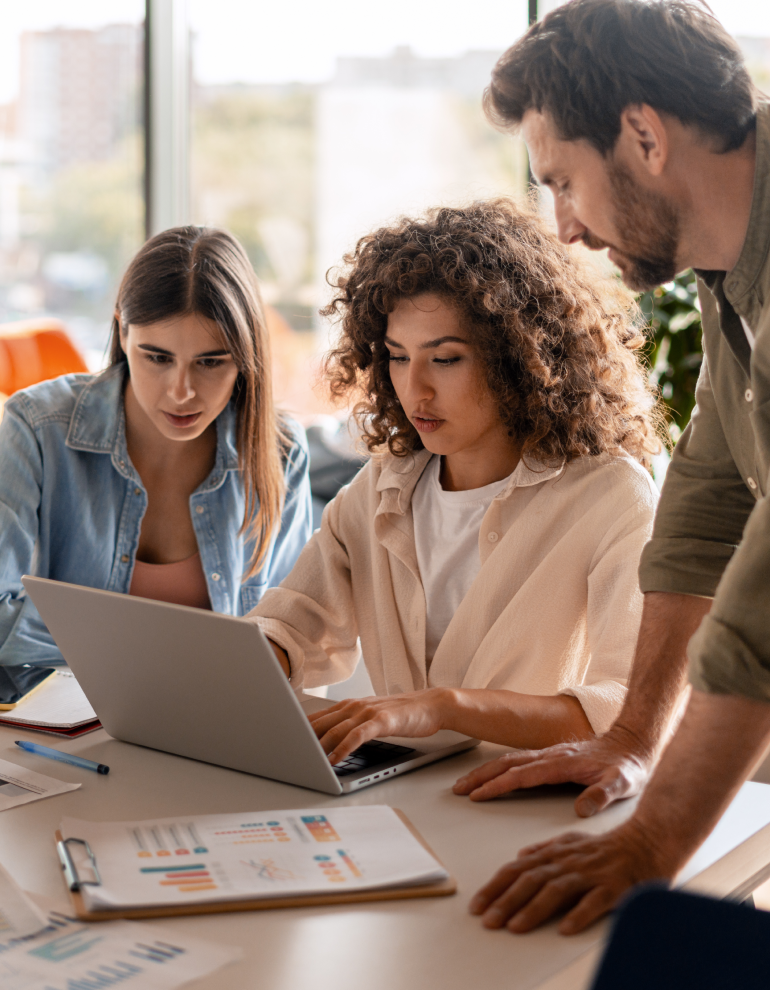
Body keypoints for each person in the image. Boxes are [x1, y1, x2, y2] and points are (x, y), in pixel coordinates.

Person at [459, 0, 770, 937]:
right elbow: (708, 508)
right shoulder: (728, 270)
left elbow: (760, 607)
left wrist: (649, 848)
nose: (562, 228)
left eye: (563, 181)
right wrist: (634, 734)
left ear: (643, 135)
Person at [247, 198, 661, 763]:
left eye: (445, 360)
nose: (413, 389)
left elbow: (622, 707)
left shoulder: (612, 498)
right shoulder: (380, 489)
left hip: (526, 804)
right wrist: (240, 666)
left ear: (520, 357)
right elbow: (293, 624)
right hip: (399, 802)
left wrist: (442, 708)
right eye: (396, 357)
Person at [0, 226, 312, 664]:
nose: (181, 391)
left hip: (215, 719)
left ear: (245, 356)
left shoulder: (280, 451)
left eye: (210, 362)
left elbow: (292, 632)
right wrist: (143, 661)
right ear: (122, 333)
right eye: (158, 357)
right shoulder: (36, 428)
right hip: (61, 719)